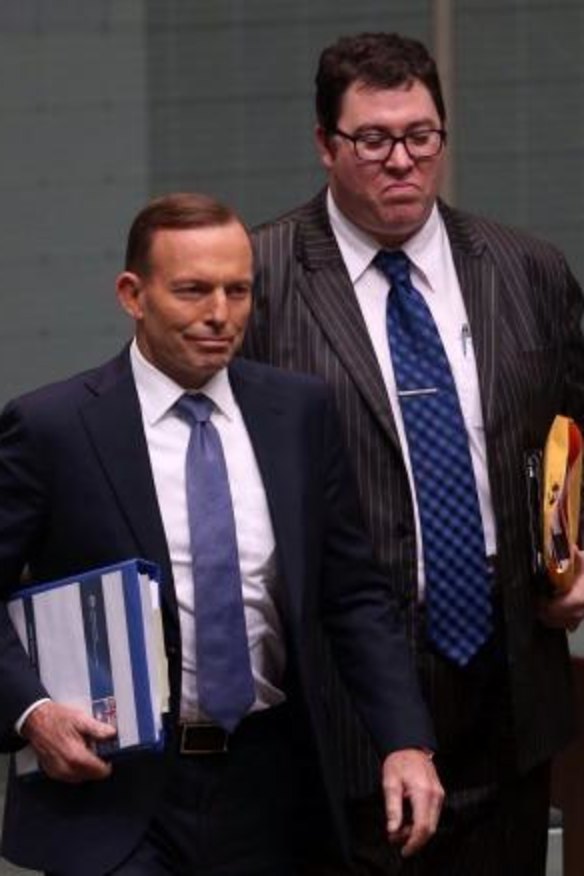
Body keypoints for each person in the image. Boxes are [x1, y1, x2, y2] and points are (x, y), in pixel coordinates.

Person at [0, 192, 443, 876]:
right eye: (193, 290)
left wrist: (406, 740)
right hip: (119, 789)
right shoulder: (53, 429)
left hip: (273, 784)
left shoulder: (297, 414)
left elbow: (354, 595)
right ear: (132, 294)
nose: (220, 314)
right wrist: (30, 710)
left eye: (238, 290)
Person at [242, 31, 584, 876]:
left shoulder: (524, 267)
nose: (402, 160)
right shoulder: (260, 279)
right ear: (326, 145)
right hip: (343, 692)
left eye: (420, 135)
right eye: (373, 139)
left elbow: (578, 427)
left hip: (511, 679)